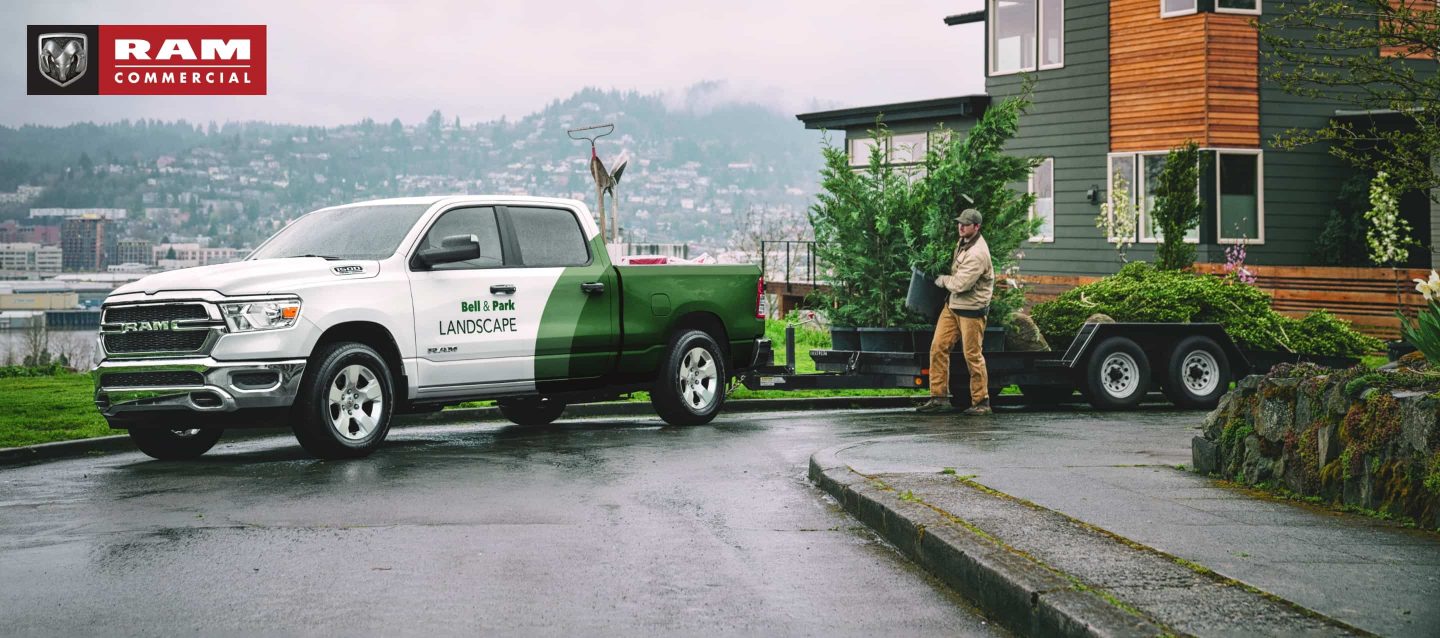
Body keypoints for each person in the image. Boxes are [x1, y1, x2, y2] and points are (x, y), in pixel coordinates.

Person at [916, 207, 994, 415]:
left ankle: (981, 402)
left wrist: (940, 280)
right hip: (952, 306)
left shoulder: (978, 253)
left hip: (971, 310)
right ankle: (939, 397)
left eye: (966, 224)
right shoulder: (964, 243)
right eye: (960, 223)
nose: (961, 227)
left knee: (972, 356)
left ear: (976, 227)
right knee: (938, 347)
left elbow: (961, 284)